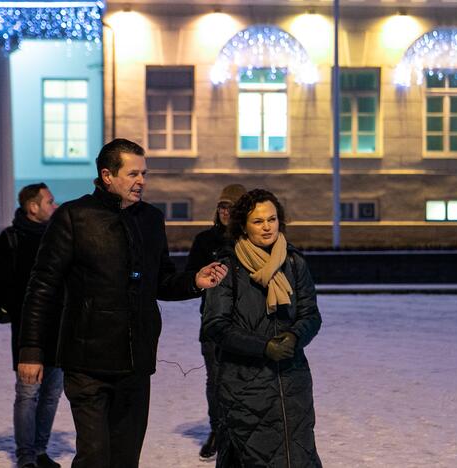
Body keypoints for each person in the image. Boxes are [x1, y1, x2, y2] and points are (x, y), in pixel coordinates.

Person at [17, 138, 228, 468]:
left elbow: (161, 281)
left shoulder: (151, 219)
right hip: (86, 362)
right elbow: (42, 286)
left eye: (144, 173)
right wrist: (31, 350)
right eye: (133, 174)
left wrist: (194, 281)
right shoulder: (74, 217)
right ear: (107, 175)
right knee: (95, 458)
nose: (141, 180)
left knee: (126, 459)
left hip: (135, 362)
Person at [203, 189, 323, 467]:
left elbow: (311, 314)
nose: (267, 227)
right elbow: (215, 325)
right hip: (245, 385)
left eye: (272, 219)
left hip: (292, 382)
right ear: (242, 225)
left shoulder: (293, 262)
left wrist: (295, 336)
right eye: (258, 221)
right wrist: (263, 347)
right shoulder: (227, 267)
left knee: (297, 457)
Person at [0, 183, 62, 468]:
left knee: (52, 393)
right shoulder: (11, 238)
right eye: (50, 202)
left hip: (58, 329)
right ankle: (26, 455)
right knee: (28, 393)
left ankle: (40, 450)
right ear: (34, 207)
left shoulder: (58, 237)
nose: (54, 206)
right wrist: (12, 313)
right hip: (27, 332)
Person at [185, 183, 246, 461]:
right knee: (216, 380)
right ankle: (218, 431)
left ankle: (242, 433)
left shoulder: (250, 241)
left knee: (246, 379)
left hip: (246, 324)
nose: (225, 211)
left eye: (231, 207)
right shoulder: (205, 241)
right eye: (222, 206)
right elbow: (190, 278)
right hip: (212, 322)